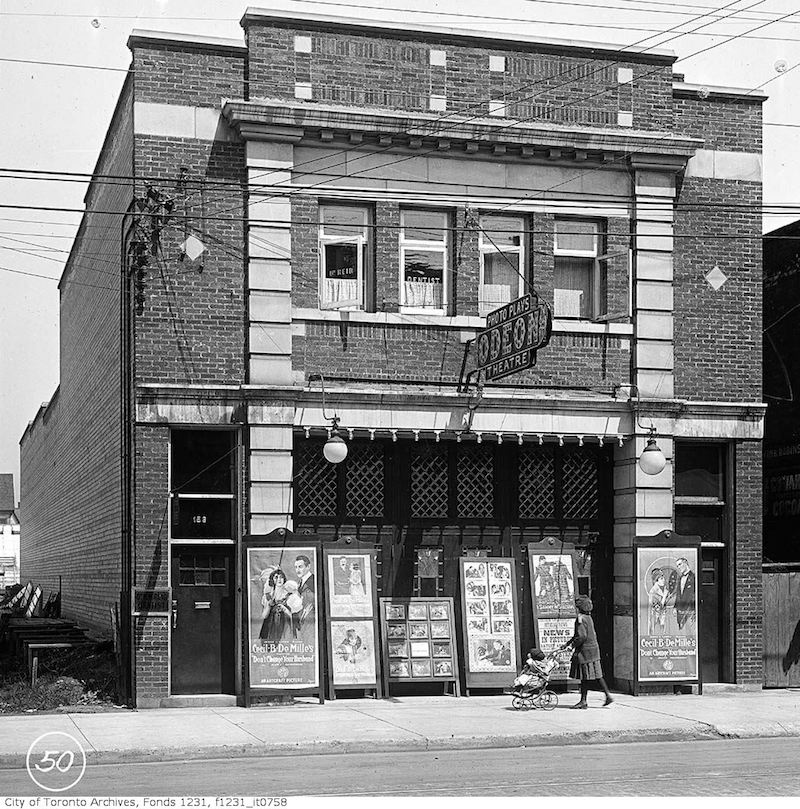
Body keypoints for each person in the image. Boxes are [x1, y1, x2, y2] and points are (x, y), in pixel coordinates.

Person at [559, 595, 613, 708]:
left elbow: (581, 636)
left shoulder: (580, 619)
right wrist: (567, 644)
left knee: (585, 676)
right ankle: (607, 695)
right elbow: (579, 635)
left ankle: (584, 701)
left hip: (585, 652)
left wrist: (572, 646)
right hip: (594, 650)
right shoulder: (588, 617)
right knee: (597, 675)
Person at [259, 568, 301, 642]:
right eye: (276, 577)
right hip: (270, 629)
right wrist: (269, 605)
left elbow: (294, 616)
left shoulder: (290, 596)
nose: (279, 579)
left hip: (284, 629)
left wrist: (284, 609)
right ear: (272, 580)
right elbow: (264, 616)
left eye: (281, 577)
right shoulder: (268, 596)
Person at [293, 555, 316, 641]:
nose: (297, 570)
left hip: (311, 621)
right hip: (301, 621)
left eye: (300, 567)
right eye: (296, 567)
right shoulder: (300, 582)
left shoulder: (313, 581)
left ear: (308, 566)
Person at [674, 557, 696, 630]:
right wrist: (675, 607)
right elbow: (678, 594)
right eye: (677, 566)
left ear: (686, 563)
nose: (679, 567)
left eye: (680, 564)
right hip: (680, 612)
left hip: (690, 612)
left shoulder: (694, 577)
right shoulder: (680, 578)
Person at [648, 569, 668, 635]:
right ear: (657, 580)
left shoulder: (664, 588)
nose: (664, 580)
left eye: (663, 578)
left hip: (662, 615)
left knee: (663, 629)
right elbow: (659, 606)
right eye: (661, 578)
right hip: (656, 615)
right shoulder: (653, 591)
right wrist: (664, 596)